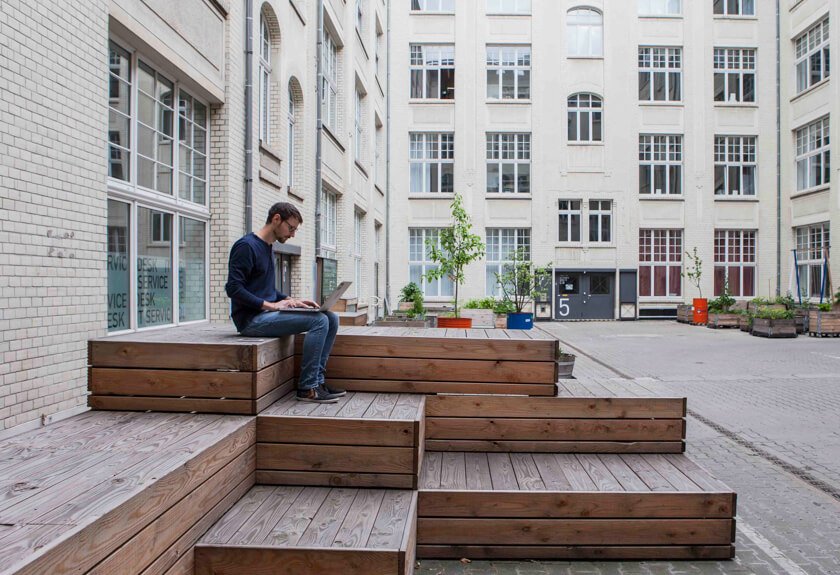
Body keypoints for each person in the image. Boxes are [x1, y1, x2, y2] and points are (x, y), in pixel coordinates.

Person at [225, 202, 343, 403]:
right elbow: (233, 288)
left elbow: (266, 290)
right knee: (319, 322)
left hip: (266, 315)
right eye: (291, 228)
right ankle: (307, 388)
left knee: (331, 318)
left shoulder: (268, 248)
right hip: (251, 320)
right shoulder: (246, 246)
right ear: (276, 219)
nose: (292, 234)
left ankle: (317, 381)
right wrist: (270, 305)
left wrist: (290, 300)